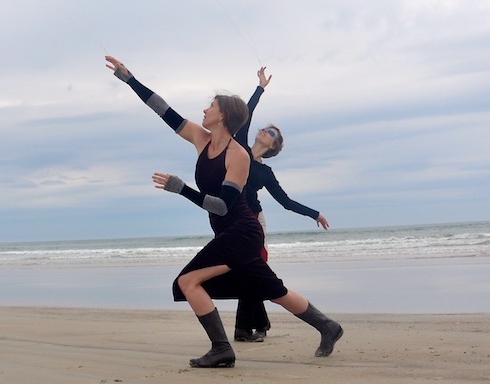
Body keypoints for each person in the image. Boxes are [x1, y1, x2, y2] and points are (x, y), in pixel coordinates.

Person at [105, 55, 342, 368]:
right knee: (273, 290)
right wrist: (129, 78)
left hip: (241, 232)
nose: (204, 110)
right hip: (230, 232)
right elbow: (164, 110)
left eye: (210, 106)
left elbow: (223, 205)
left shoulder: (238, 156)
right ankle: (328, 326)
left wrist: (183, 189)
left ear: (223, 116)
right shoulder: (200, 139)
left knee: (188, 281)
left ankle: (221, 349)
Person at [232, 67, 331, 343]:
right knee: (245, 271)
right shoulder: (239, 147)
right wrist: (260, 88)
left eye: (270, 133)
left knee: (254, 270)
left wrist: (315, 214)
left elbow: (285, 202)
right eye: (265, 128)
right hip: (231, 218)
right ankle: (257, 324)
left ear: (272, 146)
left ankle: (246, 328)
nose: (264, 130)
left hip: (253, 220)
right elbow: (246, 115)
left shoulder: (265, 173)